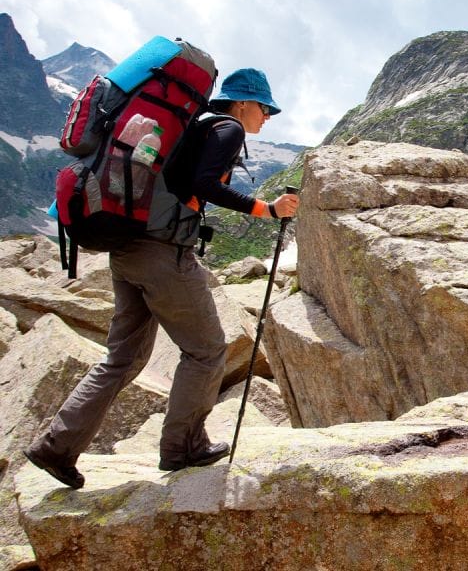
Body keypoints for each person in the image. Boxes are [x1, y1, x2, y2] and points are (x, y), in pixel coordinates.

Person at [24, 68, 299, 488]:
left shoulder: (194, 127)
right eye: (265, 108)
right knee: (207, 350)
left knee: (123, 357)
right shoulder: (227, 130)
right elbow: (204, 185)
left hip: (128, 249)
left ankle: (56, 448)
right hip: (163, 254)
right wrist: (267, 208)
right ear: (242, 103)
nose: (267, 118)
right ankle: (182, 448)